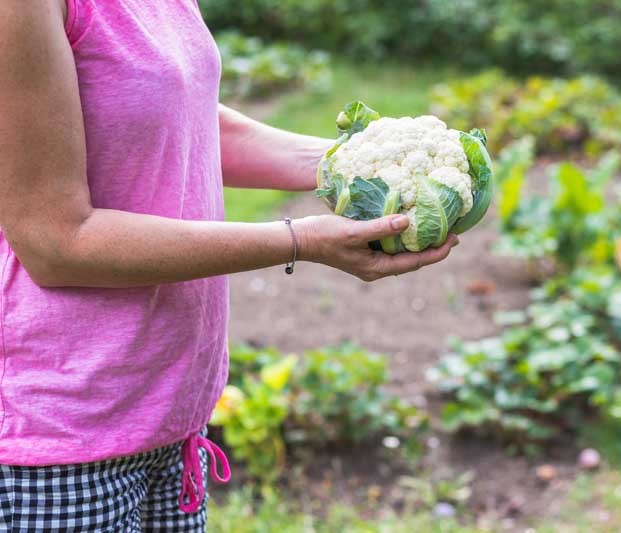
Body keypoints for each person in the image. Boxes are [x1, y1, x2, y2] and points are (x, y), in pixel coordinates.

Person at [0, 1, 458, 530]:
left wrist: (366, 166)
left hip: (165, 422)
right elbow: (56, 241)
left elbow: (176, 115)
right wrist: (297, 240)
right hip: (54, 441)